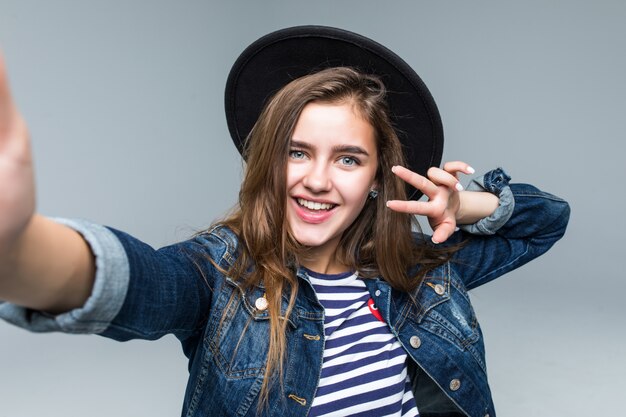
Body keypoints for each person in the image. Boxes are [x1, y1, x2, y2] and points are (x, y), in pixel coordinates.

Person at [0, 26, 569, 417]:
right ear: (268, 162)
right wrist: (17, 250)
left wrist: (463, 206)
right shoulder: (219, 277)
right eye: (296, 152)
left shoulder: (418, 271)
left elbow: (546, 221)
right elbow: (139, 282)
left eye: (347, 158)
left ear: (377, 176)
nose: (316, 180)